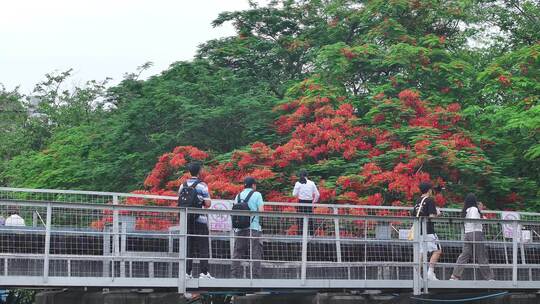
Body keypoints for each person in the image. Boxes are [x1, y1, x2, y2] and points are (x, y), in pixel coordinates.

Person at [178, 162, 213, 279]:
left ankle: (187, 273)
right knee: (203, 246)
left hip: (187, 219)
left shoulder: (183, 185)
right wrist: (201, 201)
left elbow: (180, 201)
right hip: (200, 220)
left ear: (189, 172)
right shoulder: (202, 185)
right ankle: (204, 273)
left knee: (189, 246)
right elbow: (208, 204)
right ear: (199, 171)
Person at [450, 194, 494, 280]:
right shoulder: (474, 209)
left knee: (465, 255)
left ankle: (455, 275)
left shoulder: (466, 210)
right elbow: (474, 220)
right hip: (476, 233)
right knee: (481, 255)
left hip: (467, 233)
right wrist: (483, 219)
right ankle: (489, 277)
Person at [231, 176, 264, 279]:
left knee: (238, 252)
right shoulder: (257, 194)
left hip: (240, 228)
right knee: (255, 252)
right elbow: (261, 210)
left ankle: (234, 275)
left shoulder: (238, 196)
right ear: (253, 185)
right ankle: (255, 276)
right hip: (253, 228)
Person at [412, 181, 442, 280]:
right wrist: (438, 213)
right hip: (429, 230)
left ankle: (416, 274)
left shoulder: (417, 201)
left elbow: (414, 215)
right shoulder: (430, 200)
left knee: (421, 252)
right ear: (429, 190)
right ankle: (430, 272)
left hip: (419, 230)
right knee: (437, 250)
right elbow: (432, 216)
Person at [292, 169, 320, 235]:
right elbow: (317, 195)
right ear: (307, 175)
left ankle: (300, 236)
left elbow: (294, 194)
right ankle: (311, 235)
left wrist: (299, 192)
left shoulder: (298, 183)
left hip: (301, 203)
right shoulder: (312, 183)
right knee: (310, 220)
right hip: (309, 203)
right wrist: (313, 202)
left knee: (300, 220)